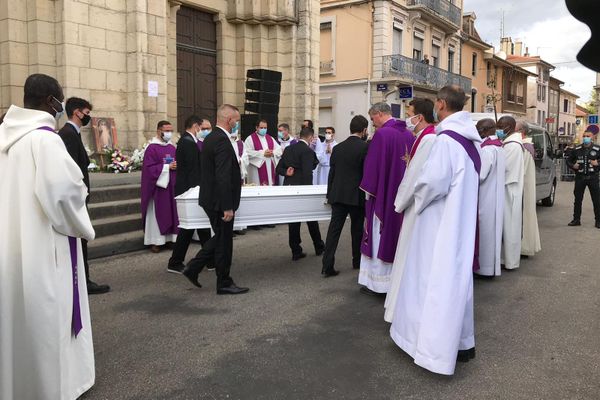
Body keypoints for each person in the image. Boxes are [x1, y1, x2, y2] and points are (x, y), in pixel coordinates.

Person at [0, 73, 96, 399]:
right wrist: (82, 224)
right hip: (44, 244)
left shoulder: (4, 137)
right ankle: (54, 386)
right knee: (48, 313)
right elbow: (64, 194)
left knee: (17, 315)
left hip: (11, 243)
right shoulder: (45, 140)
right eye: (60, 100)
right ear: (51, 102)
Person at [389, 85, 481, 376]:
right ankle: (459, 342)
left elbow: (432, 183)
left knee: (430, 282)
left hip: (438, 224)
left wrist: (416, 196)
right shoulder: (471, 141)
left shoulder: (446, 141)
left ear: (440, 104)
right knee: (453, 282)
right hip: (459, 222)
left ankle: (431, 351)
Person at [183, 104, 249, 295]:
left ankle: (194, 268)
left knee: (221, 237)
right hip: (219, 201)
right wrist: (227, 206)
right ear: (230, 120)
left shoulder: (212, 138)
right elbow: (222, 175)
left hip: (212, 198)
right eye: (236, 120)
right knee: (224, 241)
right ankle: (223, 282)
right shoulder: (221, 140)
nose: (237, 123)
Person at [384, 98, 436, 322]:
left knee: (408, 254)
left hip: (417, 205)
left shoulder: (429, 139)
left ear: (420, 117)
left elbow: (414, 175)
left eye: (409, 112)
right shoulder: (423, 136)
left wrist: (399, 203)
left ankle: (404, 311)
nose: (407, 116)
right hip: (415, 202)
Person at [358, 102, 414, 295]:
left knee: (378, 234)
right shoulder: (408, 134)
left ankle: (378, 284)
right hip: (402, 195)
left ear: (380, 114)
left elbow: (372, 169)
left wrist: (368, 190)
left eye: (373, 119)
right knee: (397, 235)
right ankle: (395, 282)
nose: (373, 123)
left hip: (382, 195)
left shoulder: (382, 134)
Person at [58, 97, 111, 294]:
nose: (88, 117)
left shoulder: (73, 133)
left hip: (79, 197)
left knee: (81, 240)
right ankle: (83, 282)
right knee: (80, 239)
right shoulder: (69, 134)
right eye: (87, 113)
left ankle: (81, 279)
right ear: (77, 112)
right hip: (76, 198)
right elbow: (71, 169)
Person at [321, 116, 369, 276]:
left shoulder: (338, 148)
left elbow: (332, 174)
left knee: (333, 231)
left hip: (338, 194)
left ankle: (327, 265)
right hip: (356, 196)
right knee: (357, 231)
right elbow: (366, 173)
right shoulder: (364, 147)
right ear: (363, 130)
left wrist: (329, 194)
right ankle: (357, 261)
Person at [167, 115, 211, 274]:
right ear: (195, 126)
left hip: (190, 189)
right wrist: (199, 188)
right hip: (190, 190)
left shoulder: (186, 141)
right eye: (201, 127)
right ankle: (175, 261)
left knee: (201, 226)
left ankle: (209, 260)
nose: (202, 131)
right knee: (189, 228)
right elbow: (194, 171)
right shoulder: (189, 143)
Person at [276, 127, 325, 260]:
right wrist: (307, 190)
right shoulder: (307, 151)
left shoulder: (289, 149)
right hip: (303, 188)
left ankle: (295, 250)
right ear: (310, 138)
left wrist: (287, 172)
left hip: (289, 187)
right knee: (311, 218)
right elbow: (308, 173)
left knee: (293, 219)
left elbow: (278, 168)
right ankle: (319, 246)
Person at [141, 121, 178, 252]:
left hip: (171, 186)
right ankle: (156, 241)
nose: (169, 133)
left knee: (171, 212)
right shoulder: (152, 148)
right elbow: (149, 169)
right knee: (158, 213)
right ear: (158, 131)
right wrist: (167, 167)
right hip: (158, 188)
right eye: (166, 131)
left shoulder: (172, 147)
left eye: (171, 131)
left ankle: (170, 240)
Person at [474, 118, 505, 278]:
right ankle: (491, 267)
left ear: (485, 130)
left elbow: (481, 175)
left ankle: (484, 268)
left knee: (485, 231)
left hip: (486, 196)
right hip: (495, 195)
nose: (478, 132)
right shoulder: (499, 146)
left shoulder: (487, 149)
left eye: (479, 129)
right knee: (492, 231)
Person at [498, 115, 524, 270]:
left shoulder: (513, 145)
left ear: (511, 127)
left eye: (502, 125)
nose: (499, 128)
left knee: (511, 227)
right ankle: (504, 258)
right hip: (506, 188)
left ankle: (511, 261)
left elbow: (504, 167)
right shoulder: (508, 143)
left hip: (510, 188)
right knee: (506, 227)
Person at [567, 125, 600, 227]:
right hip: (580, 178)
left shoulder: (597, 149)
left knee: (597, 200)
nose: (586, 137)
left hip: (593, 178)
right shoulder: (576, 149)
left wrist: (598, 163)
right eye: (584, 136)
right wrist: (573, 165)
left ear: (592, 137)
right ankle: (576, 219)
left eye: (588, 136)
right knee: (577, 200)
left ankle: (598, 221)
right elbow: (568, 160)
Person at [517, 120, 541, 256]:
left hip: (523, 188)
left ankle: (524, 246)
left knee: (524, 216)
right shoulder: (524, 145)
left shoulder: (524, 147)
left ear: (522, 132)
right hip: (523, 186)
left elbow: (520, 170)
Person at [245, 119, 282, 187]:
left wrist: (272, 153)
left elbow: (279, 149)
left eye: (265, 128)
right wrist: (263, 153)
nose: (264, 129)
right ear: (256, 127)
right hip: (256, 170)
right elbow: (247, 153)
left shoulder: (270, 138)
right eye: (261, 128)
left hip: (269, 168)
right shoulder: (250, 139)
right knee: (257, 187)